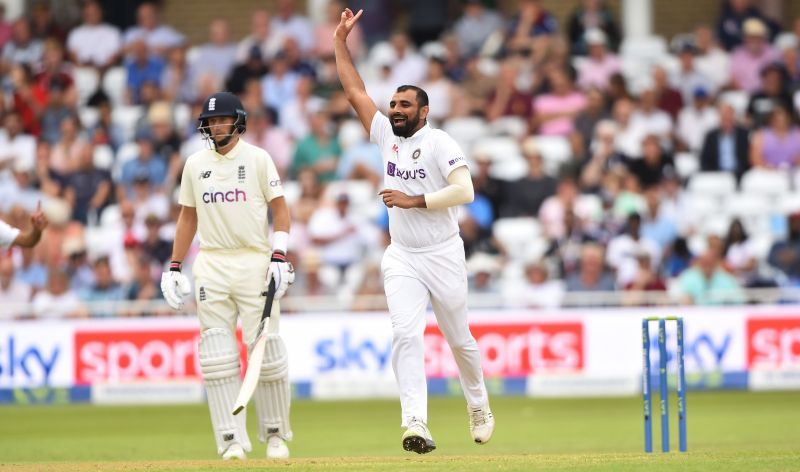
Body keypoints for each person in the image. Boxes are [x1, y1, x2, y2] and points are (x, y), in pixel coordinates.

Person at [334, 8, 494, 454]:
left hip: (443, 252)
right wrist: (339, 43)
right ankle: (415, 423)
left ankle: (478, 404)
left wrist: (413, 200)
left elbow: (465, 190)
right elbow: (353, 90)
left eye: (405, 105)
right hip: (402, 254)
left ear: (424, 111)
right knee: (405, 335)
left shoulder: (439, 141)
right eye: (394, 104)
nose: (395, 110)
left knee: (459, 340)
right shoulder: (385, 135)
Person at [160, 92, 295, 460]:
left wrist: (279, 256)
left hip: (254, 261)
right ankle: (230, 440)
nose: (216, 125)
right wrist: (174, 266)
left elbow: (281, 212)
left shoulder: (257, 159)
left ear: (238, 121)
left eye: (223, 119)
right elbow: (187, 217)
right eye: (211, 120)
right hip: (212, 263)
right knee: (217, 354)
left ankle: (275, 435)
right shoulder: (194, 164)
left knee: (266, 351)